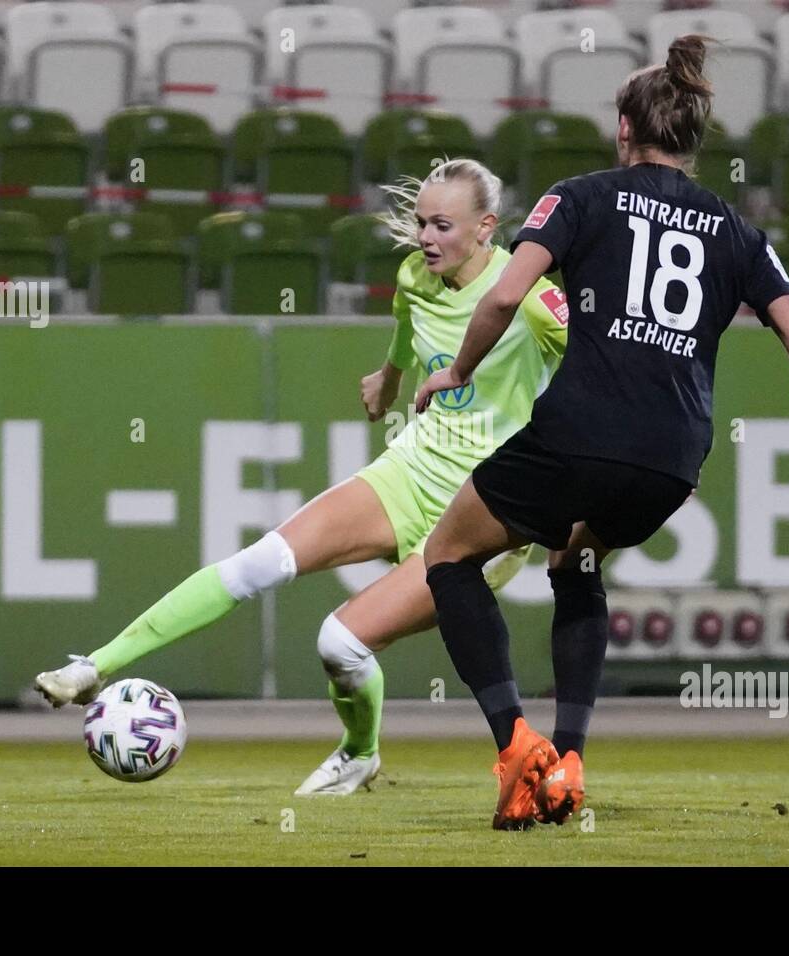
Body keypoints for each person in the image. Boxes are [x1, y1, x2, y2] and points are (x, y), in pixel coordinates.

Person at [34, 158, 570, 796]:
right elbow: (407, 330)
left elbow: (604, 370)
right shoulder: (414, 277)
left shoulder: (533, 301)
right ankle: (94, 667)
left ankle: (364, 750)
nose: (426, 236)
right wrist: (389, 378)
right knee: (260, 562)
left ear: (487, 227)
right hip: (411, 470)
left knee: (340, 646)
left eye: (442, 225)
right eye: (421, 221)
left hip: (484, 508)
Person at [413, 37, 789, 830]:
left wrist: (458, 371)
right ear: (692, 139)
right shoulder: (737, 232)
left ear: (623, 129)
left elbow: (506, 297)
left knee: (447, 556)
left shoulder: (581, 197)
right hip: (672, 459)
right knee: (575, 558)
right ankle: (568, 762)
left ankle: (516, 749)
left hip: (578, 432)